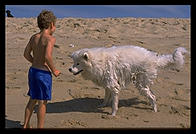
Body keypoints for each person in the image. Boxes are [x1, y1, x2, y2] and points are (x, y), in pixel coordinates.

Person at [23, 10, 60, 128]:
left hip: (33, 71)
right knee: (42, 103)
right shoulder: (50, 39)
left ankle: (25, 125)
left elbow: (26, 54)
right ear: (51, 25)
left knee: (32, 98)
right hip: (43, 74)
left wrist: (35, 62)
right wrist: (54, 70)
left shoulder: (34, 37)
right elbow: (47, 56)